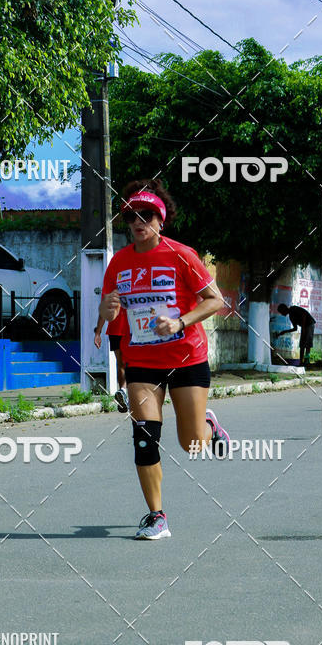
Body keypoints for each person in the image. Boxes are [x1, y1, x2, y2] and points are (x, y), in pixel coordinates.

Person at [99, 178, 230, 540]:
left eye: (145, 215)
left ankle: (208, 425)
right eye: (130, 216)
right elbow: (113, 311)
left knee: (192, 444)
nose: (137, 222)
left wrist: (179, 321)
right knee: (144, 436)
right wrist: (109, 317)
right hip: (142, 361)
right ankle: (157, 515)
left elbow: (215, 299)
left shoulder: (182, 255)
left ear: (160, 219)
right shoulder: (119, 263)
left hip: (186, 357)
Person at [94, 313, 128, 412]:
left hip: (114, 330)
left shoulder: (107, 296)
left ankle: (123, 391)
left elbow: (102, 313)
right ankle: (125, 391)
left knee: (121, 364)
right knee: (130, 363)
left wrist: (98, 333)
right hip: (130, 330)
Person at [276, 303, 316, 367]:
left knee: (307, 344)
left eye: (281, 312)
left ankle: (306, 361)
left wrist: (303, 328)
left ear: (284, 309)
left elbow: (304, 315)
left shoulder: (293, 309)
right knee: (302, 345)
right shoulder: (291, 316)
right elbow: (295, 328)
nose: (281, 314)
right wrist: (284, 331)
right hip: (305, 326)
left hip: (309, 324)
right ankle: (301, 363)